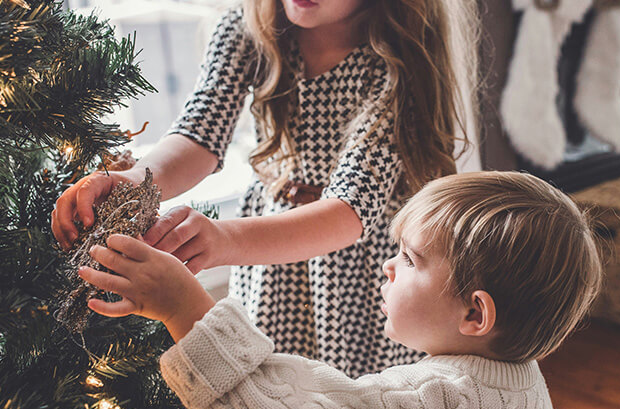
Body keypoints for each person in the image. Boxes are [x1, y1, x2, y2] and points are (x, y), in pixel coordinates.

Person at [77, 171, 604, 409]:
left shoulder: (429, 408)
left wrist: (183, 306)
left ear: (475, 312)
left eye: (409, 259)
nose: (388, 266)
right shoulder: (526, 384)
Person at [51, 0, 478, 378]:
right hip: (270, 262)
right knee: (273, 398)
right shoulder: (246, 28)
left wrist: (221, 239)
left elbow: (349, 211)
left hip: (358, 271)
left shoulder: (396, 57)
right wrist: (135, 181)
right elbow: (200, 134)